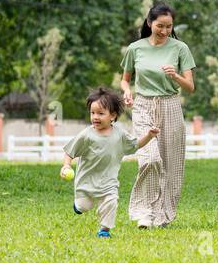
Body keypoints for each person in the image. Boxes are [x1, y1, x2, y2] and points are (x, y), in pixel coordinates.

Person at [121, 2, 195, 228]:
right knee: (149, 158)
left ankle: (162, 214)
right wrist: (126, 92)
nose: (164, 31)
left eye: (169, 27)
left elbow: (190, 86)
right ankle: (144, 212)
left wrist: (175, 76)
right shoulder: (135, 48)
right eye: (160, 26)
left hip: (171, 106)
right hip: (143, 106)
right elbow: (125, 79)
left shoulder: (180, 48)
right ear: (149, 23)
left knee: (171, 164)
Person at [61, 86, 159, 238]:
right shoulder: (87, 135)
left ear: (112, 116)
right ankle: (78, 206)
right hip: (86, 182)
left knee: (111, 202)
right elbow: (70, 151)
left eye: (100, 113)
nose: (95, 117)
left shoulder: (120, 134)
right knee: (84, 206)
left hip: (108, 182)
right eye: (92, 113)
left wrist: (149, 136)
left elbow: (135, 145)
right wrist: (66, 165)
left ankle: (104, 230)